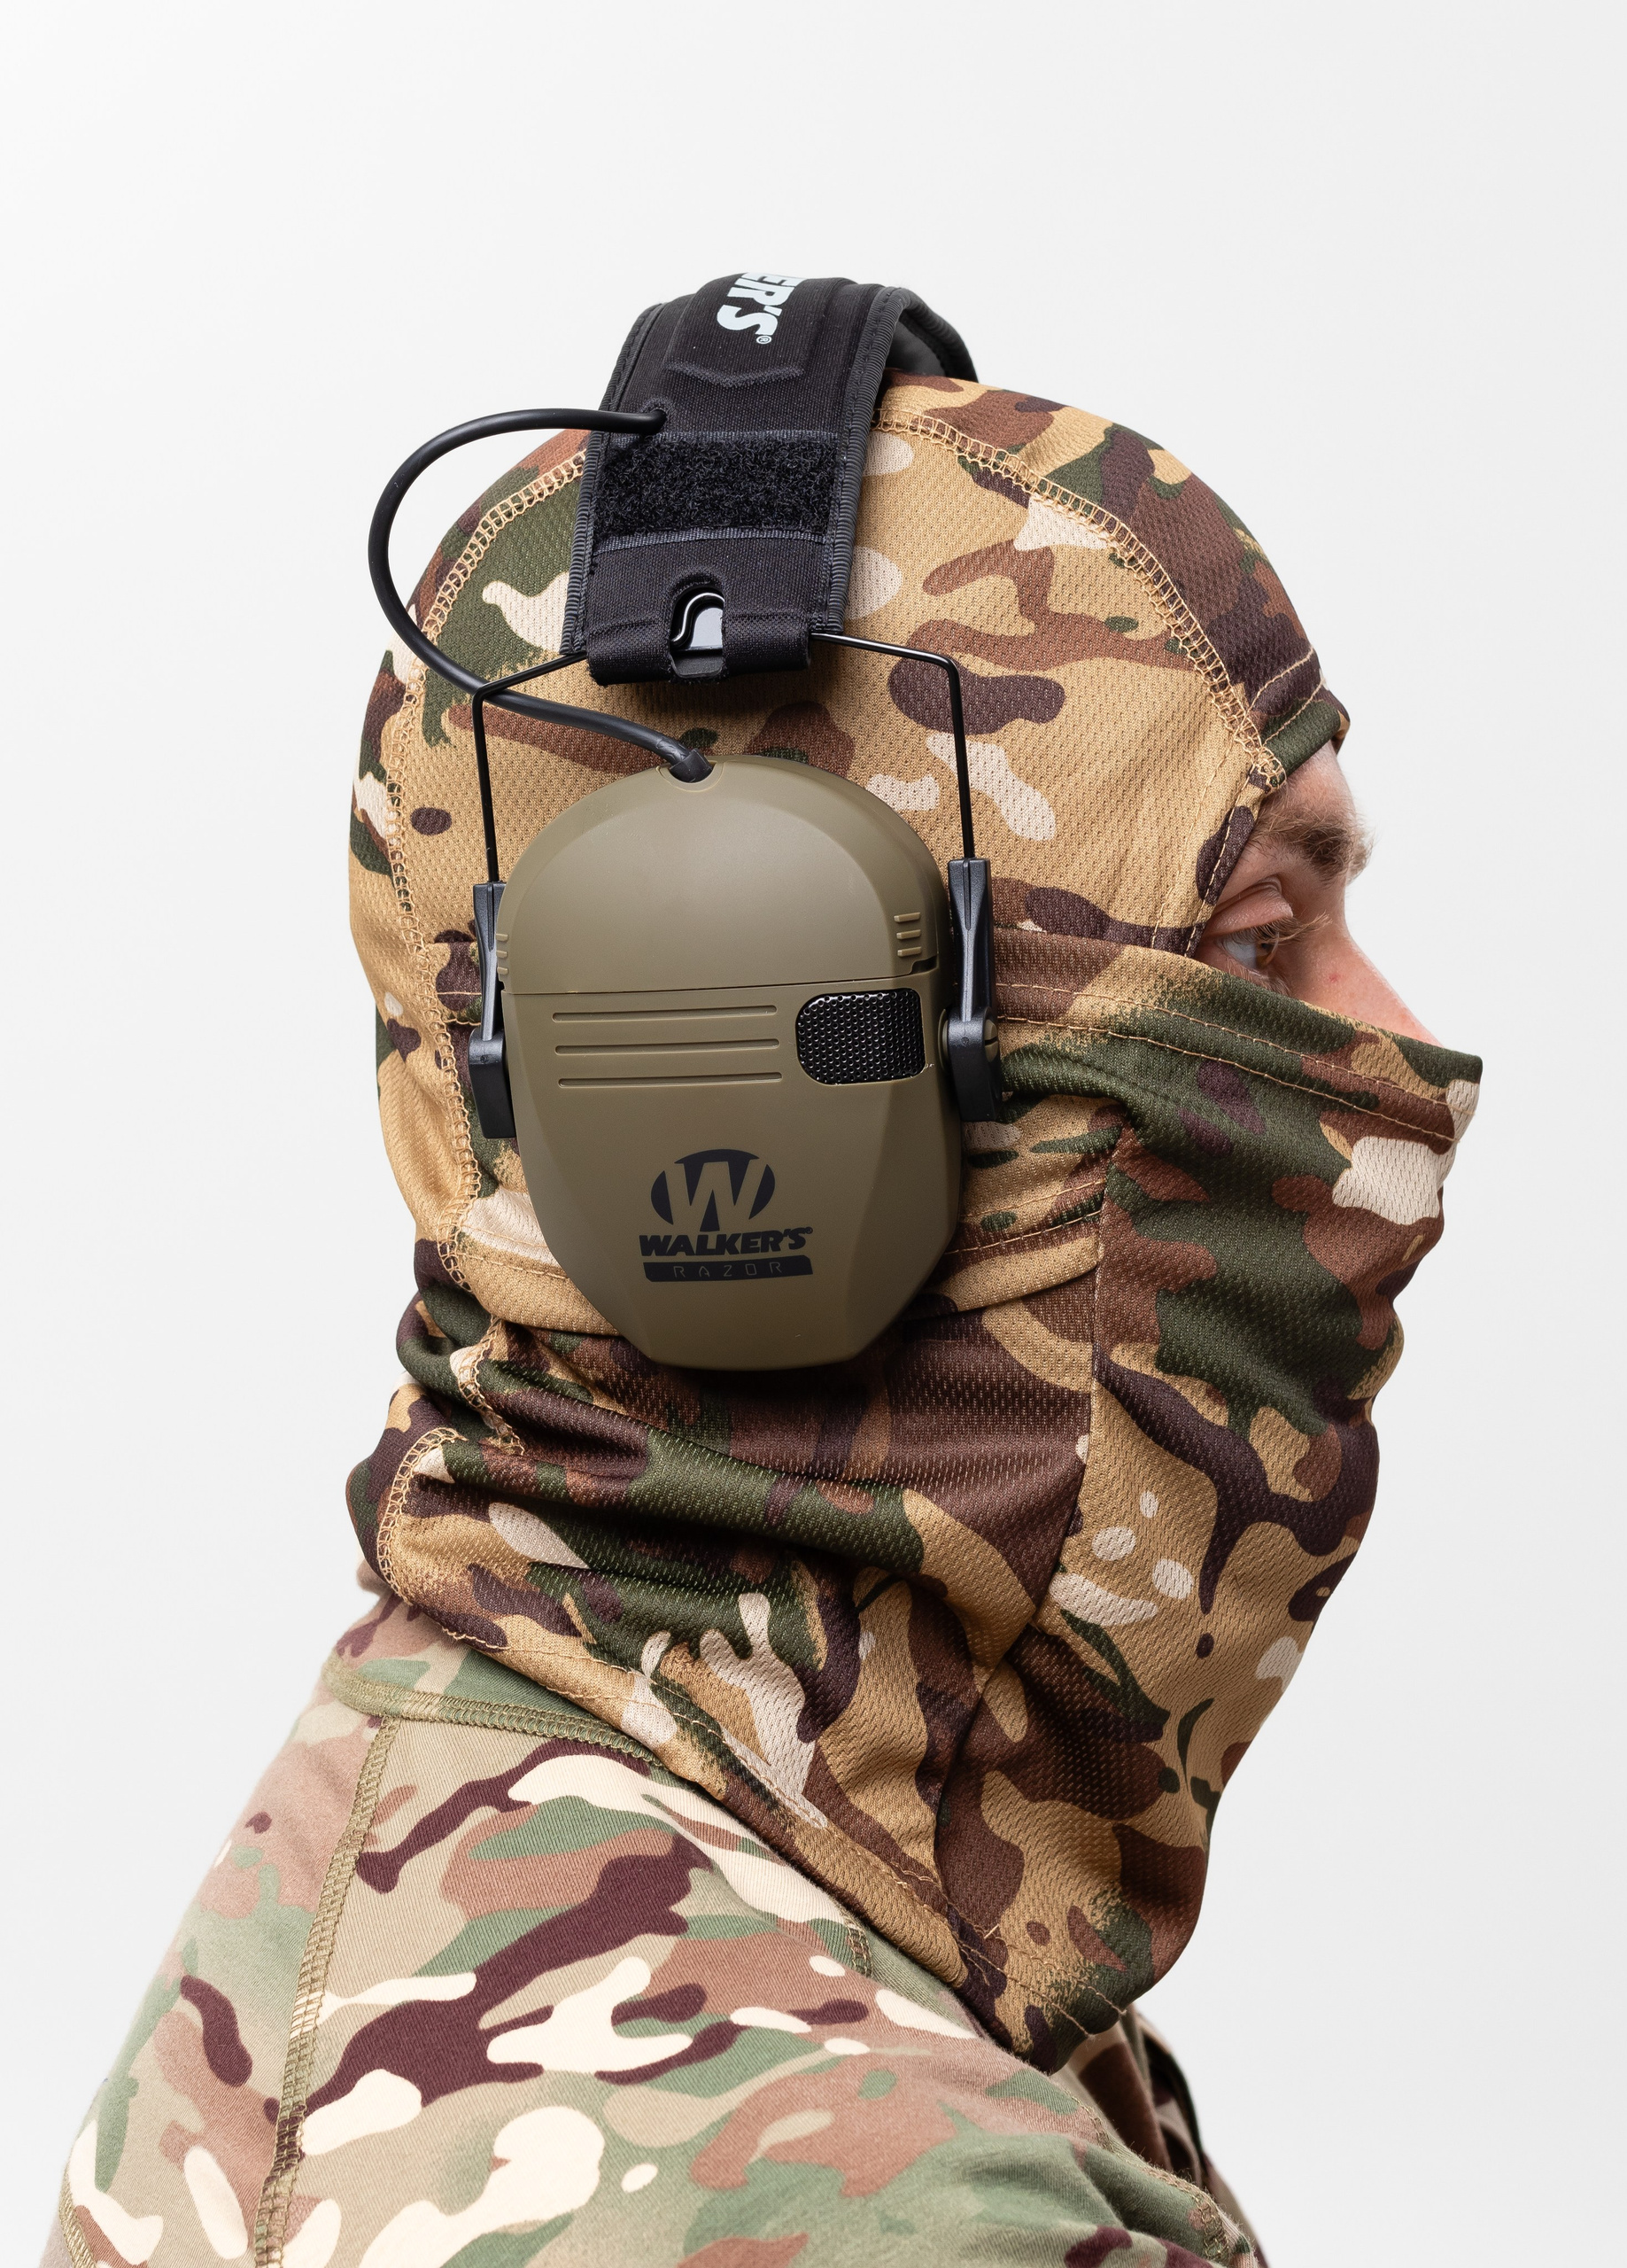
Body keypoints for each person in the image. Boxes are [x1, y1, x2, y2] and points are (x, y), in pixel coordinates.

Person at [45, 365, 1478, 2268]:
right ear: (744, 1076)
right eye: (1258, 939)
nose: (1394, 1049)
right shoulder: (873, 2198)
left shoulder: (589, 1828)